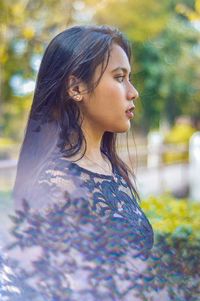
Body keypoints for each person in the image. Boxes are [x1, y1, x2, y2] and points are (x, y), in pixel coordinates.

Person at [9, 25, 154, 301]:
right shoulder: (55, 188)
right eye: (120, 78)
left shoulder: (109, 167)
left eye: (129, 78)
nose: (133, 92)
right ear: (77, 88)